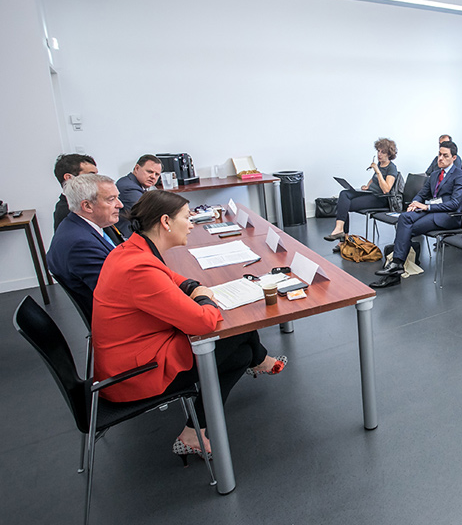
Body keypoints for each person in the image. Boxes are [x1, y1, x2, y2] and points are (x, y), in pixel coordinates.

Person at [92, 190, 286, 459]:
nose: (192, 224)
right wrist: (204, 296)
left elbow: (170, 276)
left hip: (134, 355)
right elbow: (203, 322)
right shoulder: (138, 269)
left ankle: (194, 431)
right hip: (135, 375)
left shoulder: (131, 250)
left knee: (240, 354)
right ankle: (259, 359)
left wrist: (193, 286)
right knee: (236, 330)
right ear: (166, 222)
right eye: (186, 217)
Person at [376, 140, 462, 280]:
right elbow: (422, 194)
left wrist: (427, 207)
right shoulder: (435, 174)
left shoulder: (460, 175)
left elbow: (454, 204)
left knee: (408, 228)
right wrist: (415, 203)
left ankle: (396, 263)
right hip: (432, 210)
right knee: (404, 217)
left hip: (448, 215)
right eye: (439, 154)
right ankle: (398, 263)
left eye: (445, 156)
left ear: (454, 158)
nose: (440, 158)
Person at [47, 174, 123, 320]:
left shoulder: (75, 225)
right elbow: (118, 293)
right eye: (111, 199)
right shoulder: (80, 245)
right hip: (115, 318)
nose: (120, 205)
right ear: (87, 206)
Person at [325, 138, 399, 241]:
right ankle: (339, 229)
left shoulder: (392, 168)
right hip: (370, 193)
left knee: (344, 205)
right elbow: (374, 179)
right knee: (344, 194)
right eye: (378, 151)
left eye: (383, 152)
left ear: (389, 154)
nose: (379, 154)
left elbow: (386, 189)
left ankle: (343, 239)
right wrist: (367, 186)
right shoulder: (380, 164)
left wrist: (378, 171)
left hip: (380, 198)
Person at [115, 154, 162, 238]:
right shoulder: (129, 187)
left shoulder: (131, 183)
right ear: (137, 168)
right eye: (150, 172)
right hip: (128, 237)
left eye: (157, 174)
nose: (153, 177)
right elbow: (148, 213)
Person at [53, 153, 99, 230]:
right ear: (69, 178)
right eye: (91, 175)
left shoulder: (90, 200)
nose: (97, 180)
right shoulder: (67, 212)